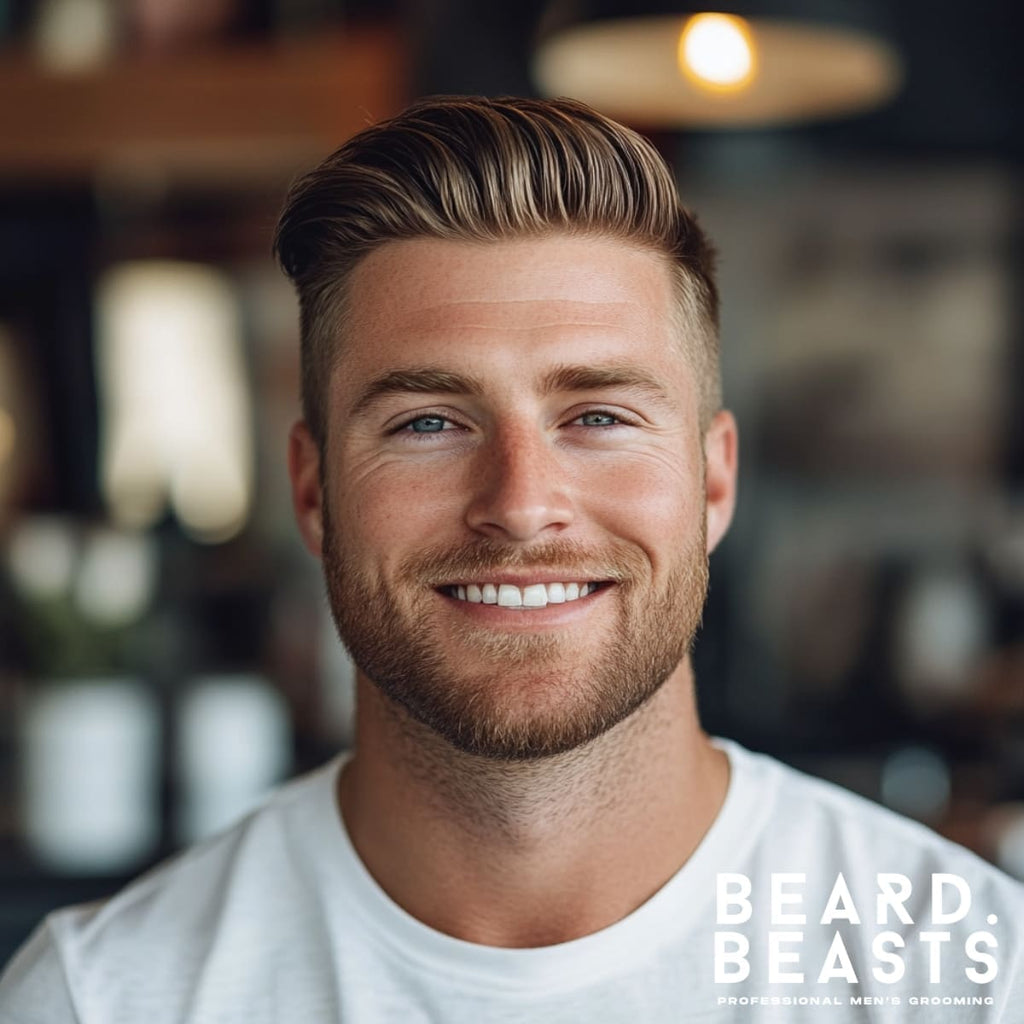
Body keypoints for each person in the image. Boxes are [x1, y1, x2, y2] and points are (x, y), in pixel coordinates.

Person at [2, 95, 1022, 1023]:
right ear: (312, 492)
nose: (522, 505)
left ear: (713, 482)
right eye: (428, 422)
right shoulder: (101, 999)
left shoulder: (974, 977)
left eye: (598, 416)